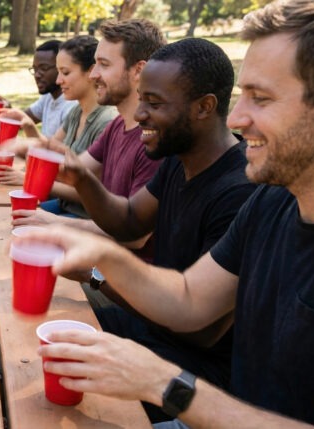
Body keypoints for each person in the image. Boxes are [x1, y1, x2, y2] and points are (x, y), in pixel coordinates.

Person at [22, 1, 314, 426]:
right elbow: (189, 298)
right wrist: (102, 257)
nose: (237, 116)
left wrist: (164, 382)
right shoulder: (271, 200)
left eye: (261, 98)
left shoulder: (242, 189)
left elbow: (198, 337)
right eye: (242, 96)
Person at [46, 38, 258, 421]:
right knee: (47, 333)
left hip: (195, 370)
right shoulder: (181, 159)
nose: (139, 114)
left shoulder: (240, 192)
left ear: (204, 107)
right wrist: (80, 178)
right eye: (141, 99)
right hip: (150, 330)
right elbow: (128, 218)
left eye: (154, 104)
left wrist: (97, 276)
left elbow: (201, 330)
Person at [12, 19, 165, 248]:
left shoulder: (154, 142)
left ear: (138, 71)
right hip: (100, 257)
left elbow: (134, 237)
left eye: (103, 64)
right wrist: (27, 149)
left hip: (115, 274)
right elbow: (71, 172)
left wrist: (56, 223)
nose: (93, 75)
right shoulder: (117, 126)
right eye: (94, 64)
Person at [0, 36, 117, 187]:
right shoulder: (76, 111)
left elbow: (94, 192)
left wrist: (30, 179)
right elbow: (50, 146)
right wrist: (21, 143)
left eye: (65, 73)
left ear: (91, 73)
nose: (59, 80)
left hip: (75, 210)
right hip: (62, 204)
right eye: (58, 72)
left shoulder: (107, 121)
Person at [24, 40, 77, 137]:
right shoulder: (49, 96)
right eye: (35, 69)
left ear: (60, 68)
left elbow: (57, 149)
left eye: (43, 68)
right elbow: (24, 118)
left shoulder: (71, 107)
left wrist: (29, 128)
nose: (37, 75)